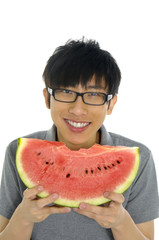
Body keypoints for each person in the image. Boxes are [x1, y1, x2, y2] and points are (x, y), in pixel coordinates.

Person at [0, 38, 158, 240]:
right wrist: (23, 217)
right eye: (66, 92)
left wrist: (120, 222)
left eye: (93, 94)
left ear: (110, 104)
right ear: (47, 98)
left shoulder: (139, 157)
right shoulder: (18, 151)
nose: (77, 109)